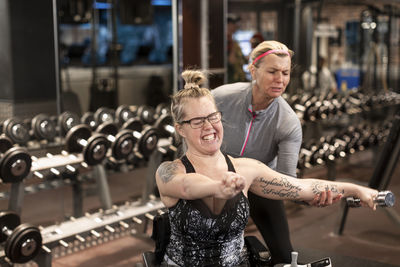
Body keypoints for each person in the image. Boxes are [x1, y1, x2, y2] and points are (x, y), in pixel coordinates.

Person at [155, 69, 379, 266]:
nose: (209, 126)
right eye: (197, 121)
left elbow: (301, 186)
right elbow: (186, 187)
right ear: (180, 129)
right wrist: (218, 188)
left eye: (213, 117)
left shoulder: (245, 168)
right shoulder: (170, 171)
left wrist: (356, 189)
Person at [211, 40, 305, 264]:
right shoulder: (220, 97)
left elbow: (286, 181)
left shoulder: (288, 122)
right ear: (253, 70)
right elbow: (189, 131)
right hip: (215, 180)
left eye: (285, 72)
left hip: (262, 187)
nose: (280, 80)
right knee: (209, 253)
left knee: (284, 253)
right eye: (272, 71)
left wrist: (310, 196)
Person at [227, 14, 247, 83]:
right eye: (233, 24)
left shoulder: (232, 40)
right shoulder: (226, 41)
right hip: (231, 79)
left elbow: (242, 59)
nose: (236, 26)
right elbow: (231, 61)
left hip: (239, 78)